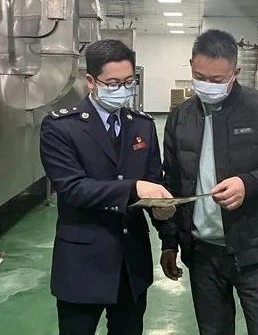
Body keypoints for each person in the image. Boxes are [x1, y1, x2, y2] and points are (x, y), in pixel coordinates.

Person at [159, 30, 258, 335]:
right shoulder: (180, 118)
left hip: (256, 251)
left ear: (236, 72)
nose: (207, 86)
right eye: (200, 77)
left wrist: (247, 184)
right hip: (202, 253)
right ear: (191, 65)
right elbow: (172, 182)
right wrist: (170, 242)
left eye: (217, 80)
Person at [40, 39, 174, 335]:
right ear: (91, 81)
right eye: (112, 83)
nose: (122, 89)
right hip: (82, 264)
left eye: (128, 82)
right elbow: (73, 189)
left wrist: (167, 232)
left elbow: (155, 183)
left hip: (131, 264)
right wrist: (133, 188)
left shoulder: (142, 125)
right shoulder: (61, 127)